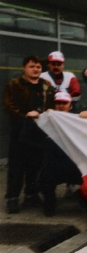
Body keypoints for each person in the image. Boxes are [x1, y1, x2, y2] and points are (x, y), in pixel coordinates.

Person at [3, 55, 56, 213]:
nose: (35, 69)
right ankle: (12, 198)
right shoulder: (14, 84)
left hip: (39, 132)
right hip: (20, 131)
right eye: (32, 66)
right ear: (24, 68)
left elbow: (51, 104)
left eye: (38, 67)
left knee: (35, 164)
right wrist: (25, 115)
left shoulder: (47, 85)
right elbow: (8, 105)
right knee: (17, 167)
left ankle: (31, 195)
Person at [38, 92, 83, 216]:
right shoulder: (45, 120)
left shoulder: (79, 121)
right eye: (58, 103)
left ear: (71, 106)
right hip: (55, 166)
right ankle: (49, 205)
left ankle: (84, 201)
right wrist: (32, 118)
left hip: (76, 167)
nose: (61, 106)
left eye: (64, 103)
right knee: (44, 179)